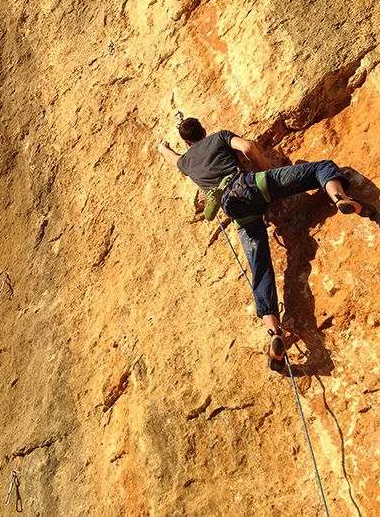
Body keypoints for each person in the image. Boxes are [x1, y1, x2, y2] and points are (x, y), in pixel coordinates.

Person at [157, 117, 366, 366]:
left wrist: (163, 148)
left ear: (187, 142)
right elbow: (247, 148)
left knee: (260, 269)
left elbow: (174, 161)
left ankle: (274, 332)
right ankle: (338, 196)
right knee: (320, 168)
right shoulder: (219, 136)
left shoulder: (186, 161)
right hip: (252, 185)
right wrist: (267, 169)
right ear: (204, 130)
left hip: (237, 210)